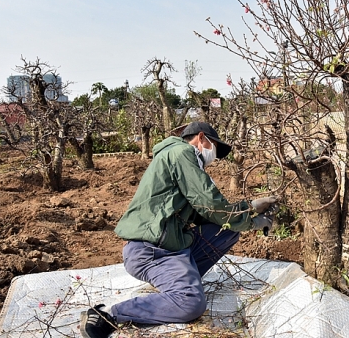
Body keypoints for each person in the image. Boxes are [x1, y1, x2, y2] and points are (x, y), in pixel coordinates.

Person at [80, 122, 278, 338]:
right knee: (191, 303)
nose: (213, 156)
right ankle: (109, 315)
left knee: (227, 230)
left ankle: (178, 284)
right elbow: (209, 203)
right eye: (214, 147)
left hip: (171, 246)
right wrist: (253, 222)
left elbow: (205, 214)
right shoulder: (182, 153)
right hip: (152, 251)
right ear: (201, 138)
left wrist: (249, 208)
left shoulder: (175, 158)